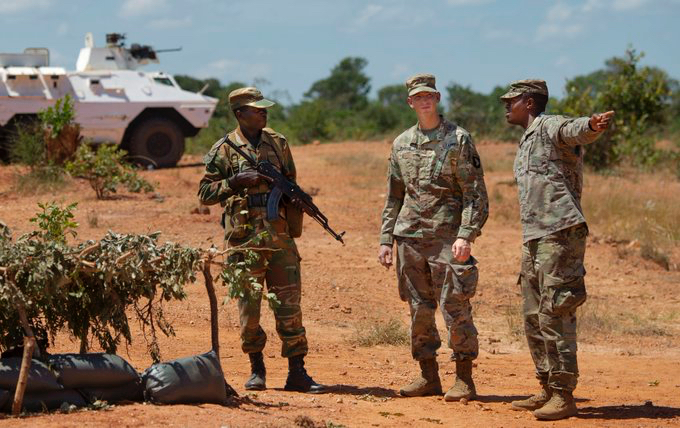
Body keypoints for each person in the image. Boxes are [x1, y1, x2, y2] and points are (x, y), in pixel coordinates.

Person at [198, 87, 325, 394]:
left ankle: (298, 371)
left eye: (265, 109)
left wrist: (297, 200)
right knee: (249, 310)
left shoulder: (278, 143)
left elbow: (290, 182)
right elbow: (204, 193)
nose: (264, 113)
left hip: (280, 239)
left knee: (289, 306)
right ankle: (257, 368)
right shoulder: (224, 150)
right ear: (240, 114)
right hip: (244, 242)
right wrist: (235, 181)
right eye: (257, 110)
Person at [500, 79, 614, 420]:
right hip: (535, 235)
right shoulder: (526, 138)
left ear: (530, 103)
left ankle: (564, 393)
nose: (506, 106)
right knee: (533, 315)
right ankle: (547, 386)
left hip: (560, 233)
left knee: (557, 310)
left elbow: (575, 130)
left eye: (512, 101)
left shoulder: (550, 125)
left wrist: (592, 125)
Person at [378, 74, 488, 401]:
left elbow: (475, 194)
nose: (424, 101)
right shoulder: (400, 144)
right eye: (417, 97)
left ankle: (464, 379)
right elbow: (393, 197)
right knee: (418, 308)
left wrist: (466, 234)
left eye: (429, 96)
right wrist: (386, 240)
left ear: (437, 98)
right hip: (409, 237)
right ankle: (428, 376)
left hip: (447, 237)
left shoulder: (458, 139)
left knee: (454, 305)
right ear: (410, 102)